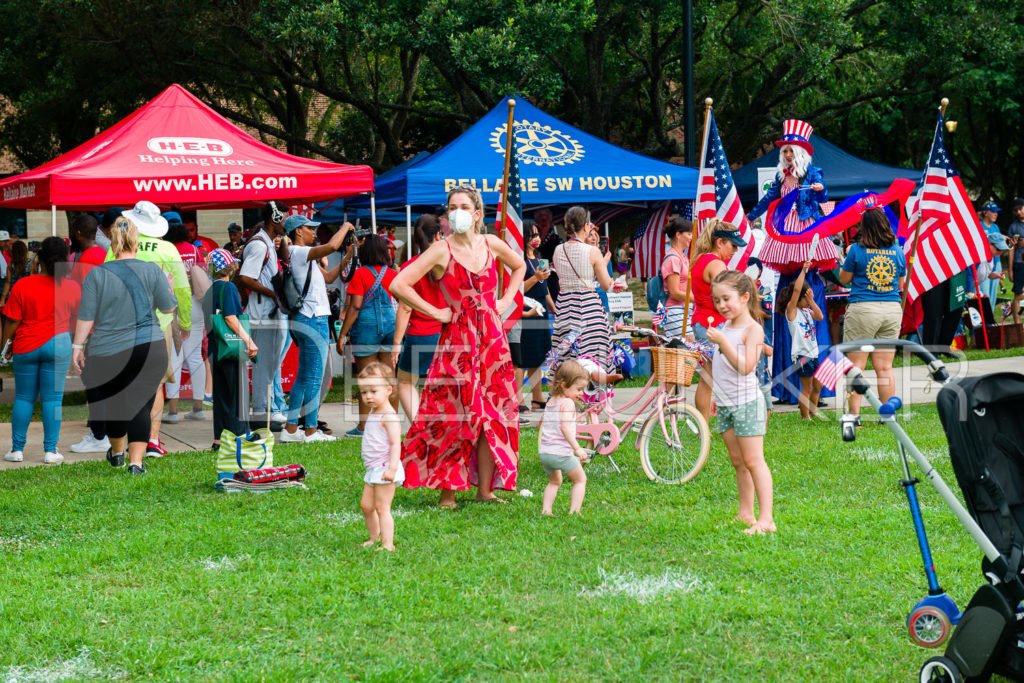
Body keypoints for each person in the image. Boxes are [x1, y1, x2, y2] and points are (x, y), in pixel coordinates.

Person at [391, 184, 525, 509]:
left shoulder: (491, 244)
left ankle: (485, 490)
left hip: (492, 342)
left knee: (492, 414)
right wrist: (436, 311)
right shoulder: (441, 250)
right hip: (457, 341)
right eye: (452, 207)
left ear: (477, 214)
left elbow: (520, 266)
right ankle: (447, 493)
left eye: (464, 206)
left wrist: (506, 299)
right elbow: (398, 283)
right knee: (453, 415)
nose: (456, 212)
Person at [72, 215, 177, 475]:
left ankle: (118, 452)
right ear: (136, 241)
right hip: (149, 347)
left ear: (111, 242)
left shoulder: (98, 274)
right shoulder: (153, 271)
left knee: (116, 405)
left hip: (107, 350)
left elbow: (86, 316)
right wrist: (169, 286)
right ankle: (136, 463)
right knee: (141, 404)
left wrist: (77, 347)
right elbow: (168, 306)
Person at [105, 201, 191, 458]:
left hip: (121, 325)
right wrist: (184, 323)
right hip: (159, 325)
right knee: (155, 384)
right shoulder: (167, 248)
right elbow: (183, 290)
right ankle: (151, 440)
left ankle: (123, 445)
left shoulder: (117, 247)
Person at [705, 270, 774, 535]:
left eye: (726, 299)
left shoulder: (753, 330)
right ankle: (746, 513)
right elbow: (722, 366)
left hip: (747, 403)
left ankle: (766, 519)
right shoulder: (726, 327)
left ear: (745, 297)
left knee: (754, 461)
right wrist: (716, 396)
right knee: (738, 462)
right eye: (717, 300)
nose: (721, 305)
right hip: (726, 403)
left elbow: (746, 368)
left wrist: (723, 341)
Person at [1, 237, 81, 464]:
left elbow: (12, 322)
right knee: (52, 400)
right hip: (59, 344)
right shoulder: (72, 286)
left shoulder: (22, 285)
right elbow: (78, 319)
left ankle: (16, 450)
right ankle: (51, 451)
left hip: (26, 345)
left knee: (24, 398)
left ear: (40, 260)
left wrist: (6, 345)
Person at [279, 214, 347, 443]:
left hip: (304, 318)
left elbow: (327, 277)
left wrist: (347, 260)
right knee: (315, 377)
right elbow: (332, 245)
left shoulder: (302, 257)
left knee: (303, 376)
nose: (314, 233)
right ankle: (310, 430)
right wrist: (346, 226)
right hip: (313, 319)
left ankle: (290, 429)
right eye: (310, 228)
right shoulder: (298, 252)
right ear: (298, 231)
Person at [838, 207, 907, 420]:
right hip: (892, 309)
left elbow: (843, 279)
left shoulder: (857, 250)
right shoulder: (897, 251)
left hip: (863, 308)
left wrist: (846, 257)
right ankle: (888, 416)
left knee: (856, 367)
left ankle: (854, 417)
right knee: (885, 367)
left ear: (864, 228)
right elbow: (900, 283)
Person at [236, 203, 290, 428]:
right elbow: (246, 277)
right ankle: (260, 412)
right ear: (275, 218)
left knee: (267, 366)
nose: (286, 223)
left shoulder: (266, 241)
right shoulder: (260, 245)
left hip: (265, 313)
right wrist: (273, 293)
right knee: (265, 366)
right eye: (284, 218)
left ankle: (262, 410)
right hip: (263, 314)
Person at [338, 234, 398, 435]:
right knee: (389, 379)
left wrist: (342, 334)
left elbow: (355, 307)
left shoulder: (360, 274)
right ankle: (392, 424)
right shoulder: (391, 274)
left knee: (367, 379)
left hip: (366, 327)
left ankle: (364, 427)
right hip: (390, 324)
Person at [689, 220, 746, 419]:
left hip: (701, 322)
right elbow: (724, 297)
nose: (735, 251)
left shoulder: (699, 260)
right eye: (733, 245)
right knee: (731, 374)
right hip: (715, 324)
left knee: (708, 378)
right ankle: (731, 421)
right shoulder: (717, 263)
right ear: (719, 242)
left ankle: (702, 427)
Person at [202, 249, 258, 451]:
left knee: (221, 394)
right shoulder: (230, 288)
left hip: (215, 348)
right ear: (230, 268)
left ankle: (219, 439)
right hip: (231, 347)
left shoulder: (209, 291)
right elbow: (230, 317)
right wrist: (248, 340)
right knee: (238, 392)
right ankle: (242, 435)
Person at [391, 214, 445, 421]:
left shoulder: (410, 266)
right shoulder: (450, 264)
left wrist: (397, 343)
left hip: (419, 334)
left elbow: (405, 308)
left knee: (405, 383)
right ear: (438, 235)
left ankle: (419, 425)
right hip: (447, 333)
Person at [551, 206, 614, 371]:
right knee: (593, 358)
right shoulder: (592, 251)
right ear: (586, 226)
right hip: (588, 308)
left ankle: (568, 393)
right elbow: (606, 284)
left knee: (567, 357)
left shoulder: (558, 250)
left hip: (564, 307)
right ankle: (593, 395)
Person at [161, 221, 208, 423]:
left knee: (174, 359)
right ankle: (198, 408)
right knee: (196, 357)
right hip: (196, 306)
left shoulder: (168, 250)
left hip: (174, 307)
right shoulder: (194, 250)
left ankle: (172, 411)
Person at [357, 362, 403, 552]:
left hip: (385, 467)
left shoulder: (389, 416)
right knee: (366, 506)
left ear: (388, 390)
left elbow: (395, 444)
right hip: (373, 468)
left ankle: (387, 544)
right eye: (364, 392)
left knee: (382, 507)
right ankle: (373, 538)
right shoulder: (375, 412)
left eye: (373, 391)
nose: (368, 396)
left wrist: (392, 468)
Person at [538, 359, 590, 516]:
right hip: (561, 453)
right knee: (580, 480)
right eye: (579, 389)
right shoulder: (568, 403)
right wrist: (577, 448)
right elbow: (564, 428)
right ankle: (575, 512)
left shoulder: (551, 402)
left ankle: (546, 510)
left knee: (554, 481)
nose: (582, 393)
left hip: (545, 453)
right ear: (564, 386)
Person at [780, 258, 824, 419]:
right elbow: (797, 290)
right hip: (802, 355)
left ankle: (812, 409)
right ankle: (805, 417)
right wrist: (804, 271)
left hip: (813, 353)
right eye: (806, 298)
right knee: (806, 387)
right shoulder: (792, 311)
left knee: (818, 384)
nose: (808, 301)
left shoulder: (807, 310)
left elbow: (819, 316)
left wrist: (811, 301)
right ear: (798, 299)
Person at [519, 222, 554, 412]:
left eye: (537, 234)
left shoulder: (537, 258)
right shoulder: (519, 261)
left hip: (541, 310)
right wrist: (536, 277)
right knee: (524, 357)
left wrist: (552, 305)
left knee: (539, 356)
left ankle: (537, 398)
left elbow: (544, 286)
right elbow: (518, 289)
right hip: (526, 310)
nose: (535, 238)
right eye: (531, 235)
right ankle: (519, 400)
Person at [660, 217, 694, 338]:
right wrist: (699, 299)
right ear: (678, 235)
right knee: (688, 346)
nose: (691, 237)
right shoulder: (673, 258)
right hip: (675, 311)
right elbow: (674, 292)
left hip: (684, 309)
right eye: (689, 234)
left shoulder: (682, 257)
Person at [978, 202, 1002, 306]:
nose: (995, 214)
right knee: (984, 294)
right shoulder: (978, 225)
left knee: (992, 295)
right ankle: (983, 320)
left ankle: (990, 320)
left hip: (996, 262)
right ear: (985, 212)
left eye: (996, 212)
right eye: (993, 211)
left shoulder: (996, 227)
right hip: (984, 263)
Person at [0, 241, 31, 309]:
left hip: (13, 295)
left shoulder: (11, 264)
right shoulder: (31, 264)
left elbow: (8, 283)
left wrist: (2, 299)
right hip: (27, 296)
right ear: (25, 250)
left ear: (13, 252)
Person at [1008, 199, 1024, 325]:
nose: (1019, 212)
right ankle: (1018, 327)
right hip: (1019, 264)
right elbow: (1010, 248)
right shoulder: (1013, 227)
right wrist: (1010, 269)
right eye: (1016, 210)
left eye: (1021, 209)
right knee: (1018, 295)